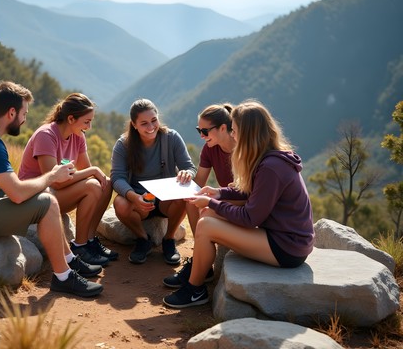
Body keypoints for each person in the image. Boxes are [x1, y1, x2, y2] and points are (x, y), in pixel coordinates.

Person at [0, 81, 103, 298]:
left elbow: (8, 186)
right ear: (11, 113)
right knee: (48, 202)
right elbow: (16, 192)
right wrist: (52, 176)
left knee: (44, 196)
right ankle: (63, 277)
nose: (25, 119)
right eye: (24, 113)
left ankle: (70, 260)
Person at [163, 99, 314, 308]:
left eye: (234, 130)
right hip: (278, 234)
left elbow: (251, 217)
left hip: (287, 246)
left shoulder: (271, 167)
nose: (233, 135)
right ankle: (201, 270)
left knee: (206, 223)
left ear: (248, 133)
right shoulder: (266, 157)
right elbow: (249, 190)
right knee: (207, 214)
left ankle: (195, 289)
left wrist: (213, 202)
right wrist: (219, 192)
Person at [19, 93, 116, 267]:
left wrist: (94, 172)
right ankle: (79, 246)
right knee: (93, 186)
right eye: (86, 122)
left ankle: (90, 240)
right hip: (36, 198)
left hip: (56, 193)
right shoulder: (46, 135)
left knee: (105, 184)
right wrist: (93, 170)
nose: (90, 127)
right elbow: (54, 180)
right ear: (71, 118)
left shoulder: (78, 136)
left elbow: (86, 170)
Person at [162, 103, 240, 288]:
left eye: (205, 131)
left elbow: (248, 190)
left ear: (223, 128)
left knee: (205, 213)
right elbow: (199, 183)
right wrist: (186, 178)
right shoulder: (210, 149)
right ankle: (201, 259)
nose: (202, 136)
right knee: (191, 201)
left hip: (244, 201)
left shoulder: (242, 147)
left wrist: (214, 198)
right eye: (199, 130)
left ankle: (200, 264)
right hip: (227, 196)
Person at [111, 98, 197, 265]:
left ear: (158, 118)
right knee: (120, 203)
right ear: (134, 124)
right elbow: (117, 177)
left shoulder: (172, 138)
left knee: (184, 194)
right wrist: (133, 196)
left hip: (167, 199)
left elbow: (189, 167)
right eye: (144, 123)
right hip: (139, 199)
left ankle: (169, 239)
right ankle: (143, 239)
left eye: (153, 120)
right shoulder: (123, 145)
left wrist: (187, 173)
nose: (151, 127)